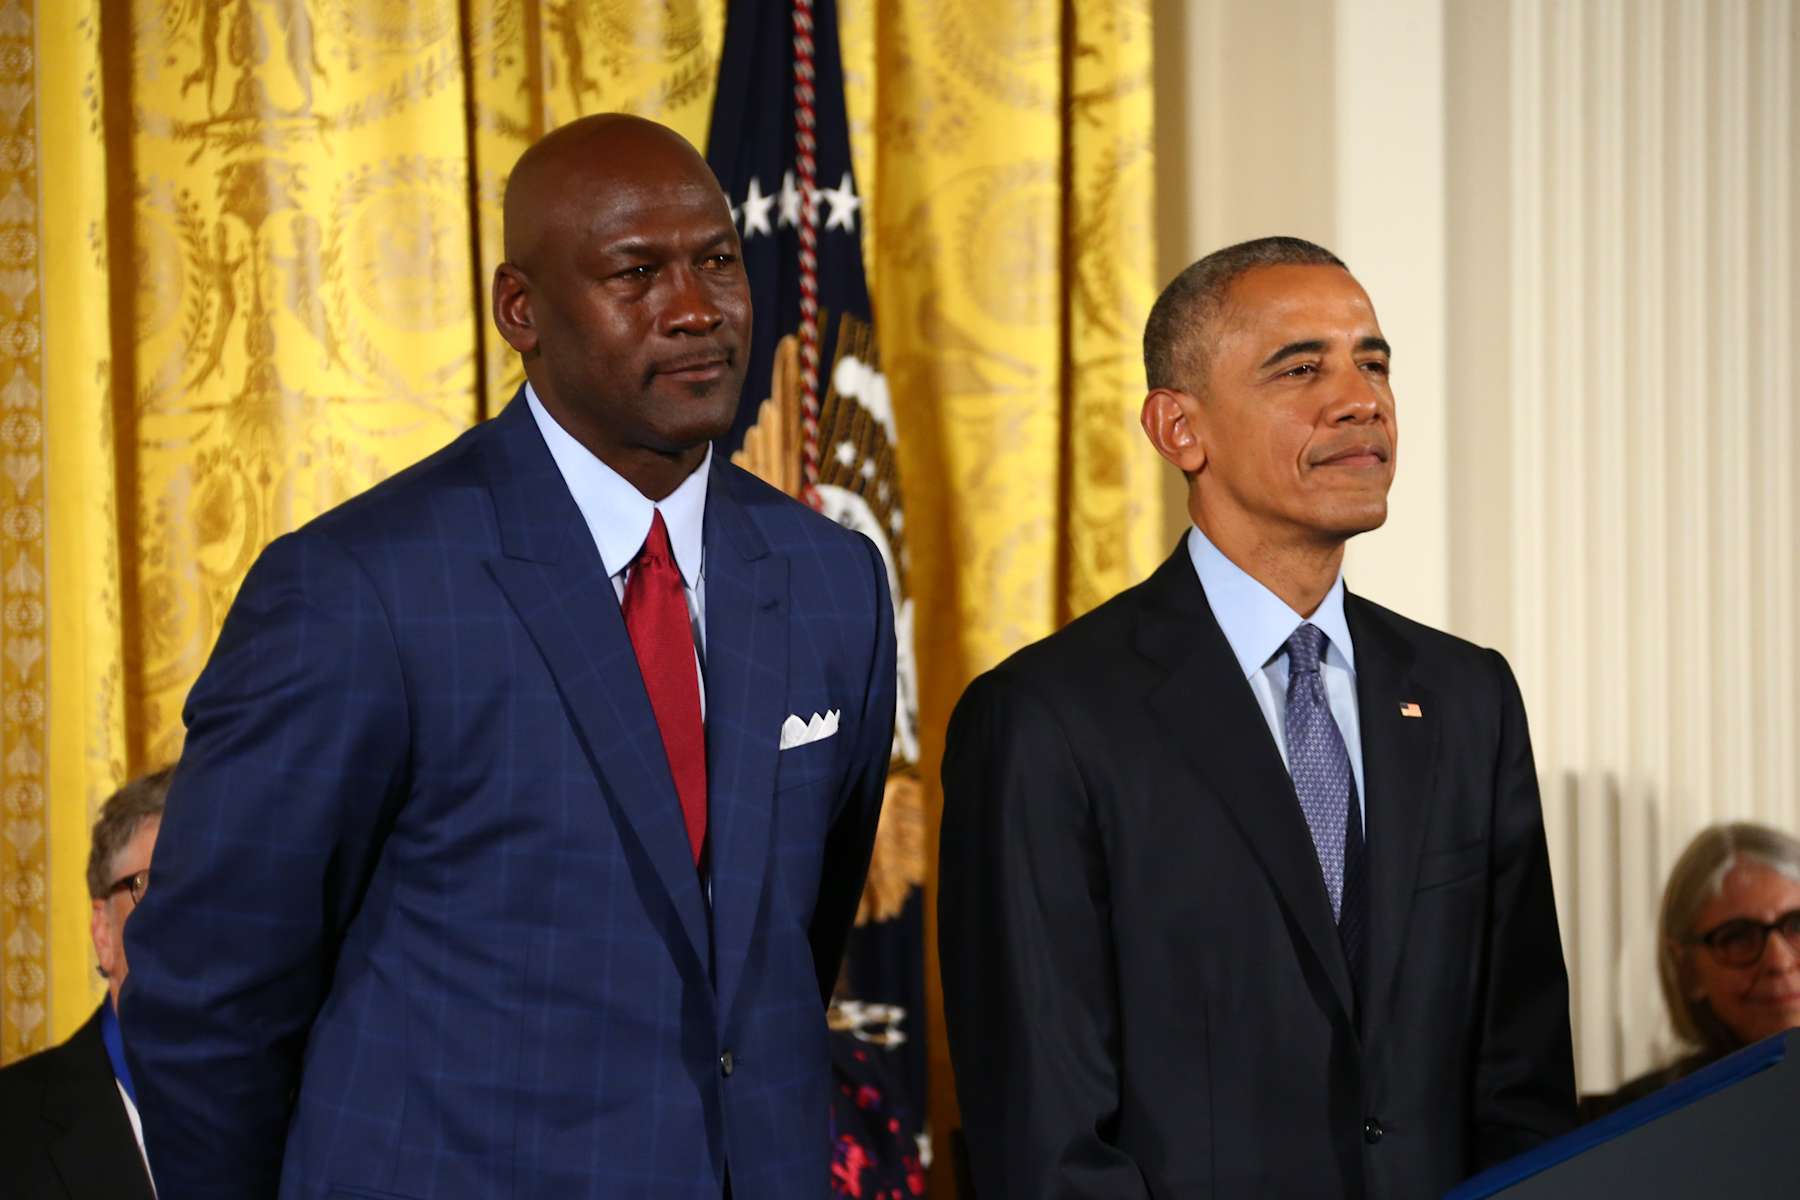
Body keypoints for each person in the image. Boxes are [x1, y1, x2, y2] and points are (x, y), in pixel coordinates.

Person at [121, 114, 897, 1200]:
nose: (697, 308)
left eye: (717, 260)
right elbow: (208, 996)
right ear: (520, 311)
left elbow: (785, 957)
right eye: (638, 272)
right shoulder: (359, 589)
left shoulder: (834, 581)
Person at [938, 236, 1578, 1198]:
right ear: (1177, 429)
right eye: (1302, 367)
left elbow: (1521, 1081)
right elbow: (1046, 1133)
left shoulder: (1465, 697)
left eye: (1374, 361)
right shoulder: (1044, 719)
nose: (1362, 396)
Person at [0, 767, 169, 1200]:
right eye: (157, 886)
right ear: (104, 933)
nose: (196, 920)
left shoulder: (313, 1112)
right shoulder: (10, 1129)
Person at [1581, 822, 1800, 1120]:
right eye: (1737, 937)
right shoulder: (1636, 1124)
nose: (1779, 961)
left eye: (1797, 926)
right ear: (1688, 970)